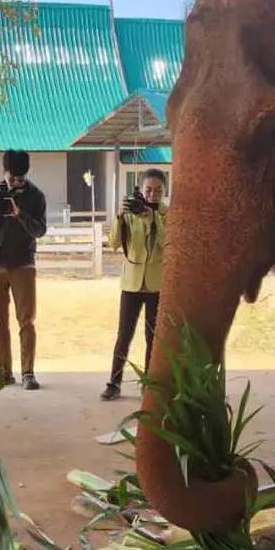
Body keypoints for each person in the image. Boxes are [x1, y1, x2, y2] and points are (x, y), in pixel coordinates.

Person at [0, 149, 47, 390]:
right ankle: (5, 371)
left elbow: (40, 230)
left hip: (23, 264)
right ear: (3, 172)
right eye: (12, 178)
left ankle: (28, 372)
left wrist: (20, 214)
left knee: (26, 321)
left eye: (20, 179)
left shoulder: (35, 196)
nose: (16, 183)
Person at [101, 169, 168, 401]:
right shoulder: (130, 211)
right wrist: (120, 216)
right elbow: (113, 244)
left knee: (153, 337)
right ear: (140, 189)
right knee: (124, 335)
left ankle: (148, 385)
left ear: (164, 192)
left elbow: (166, 243)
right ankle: (114, 382)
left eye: (158, 191)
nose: (153, 194)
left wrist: (155, 217)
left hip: (156, 285)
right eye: (149, 189)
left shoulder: (168, 213)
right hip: (131, 284)